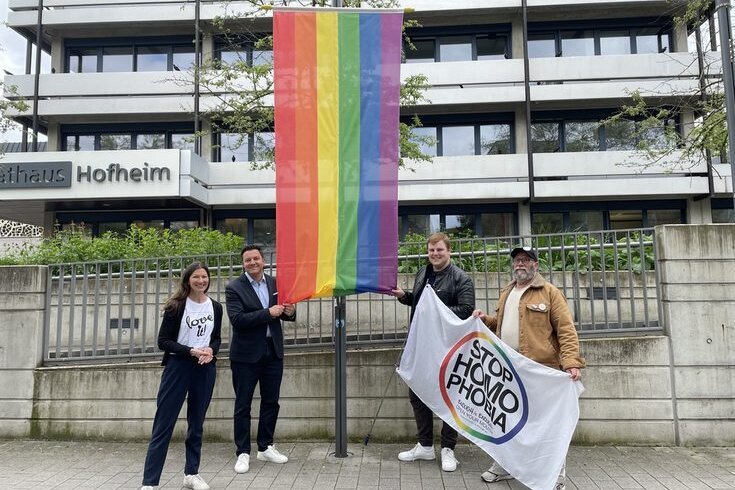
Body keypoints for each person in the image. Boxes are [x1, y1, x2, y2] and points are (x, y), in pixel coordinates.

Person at [472, 246, 585, 490]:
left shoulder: (550, 293)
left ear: (535, 264)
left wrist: (572, 361)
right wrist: (485, 320)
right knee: (509, 421)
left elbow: (565, 329)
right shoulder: (507, 291)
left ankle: (555, 475)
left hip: (540, 372)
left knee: (548, 425)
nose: (520, 264)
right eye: (516, 260)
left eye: (525, 260)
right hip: (509, 371)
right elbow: (502, 325)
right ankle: (504, 466)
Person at [392, 232, 475, 472]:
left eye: (439, 250)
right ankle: (425, 446)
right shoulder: (423, 272)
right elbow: (418, 302)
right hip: (422, 345)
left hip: (448, 348)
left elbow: (466, 310)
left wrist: (434, 311)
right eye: (431, 250)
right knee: (417, 393)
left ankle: (448, 448)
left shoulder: (461, 278)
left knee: (450, 398)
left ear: (449, 251)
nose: (435, 254)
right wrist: (404, 296)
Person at [141, 262, 222, 490]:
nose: (201, 281)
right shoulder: (176, 306)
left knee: (196, 423)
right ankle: (150, 482)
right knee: (164, 424)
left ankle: (191, 474)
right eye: (196, 277)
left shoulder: (215, 307)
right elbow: (163, 341)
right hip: (178, 367)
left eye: (204, 277)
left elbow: (216, 338)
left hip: (204, 368)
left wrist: (211, 350)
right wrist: (190, 351)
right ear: (188, 280)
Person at [226, 245, 296, 474]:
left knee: (271, 401)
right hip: (245, 355)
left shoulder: (276, 283)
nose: (253, 262)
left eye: (256, 258)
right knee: (243, 404)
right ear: (243, 263)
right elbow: (238, 320)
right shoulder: (234, 287)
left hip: (272, 351)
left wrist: (290, 311)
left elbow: (287, 314)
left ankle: (265, 446)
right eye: (248, 260)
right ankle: (243, 452)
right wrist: (269, 313)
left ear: (263, 260)